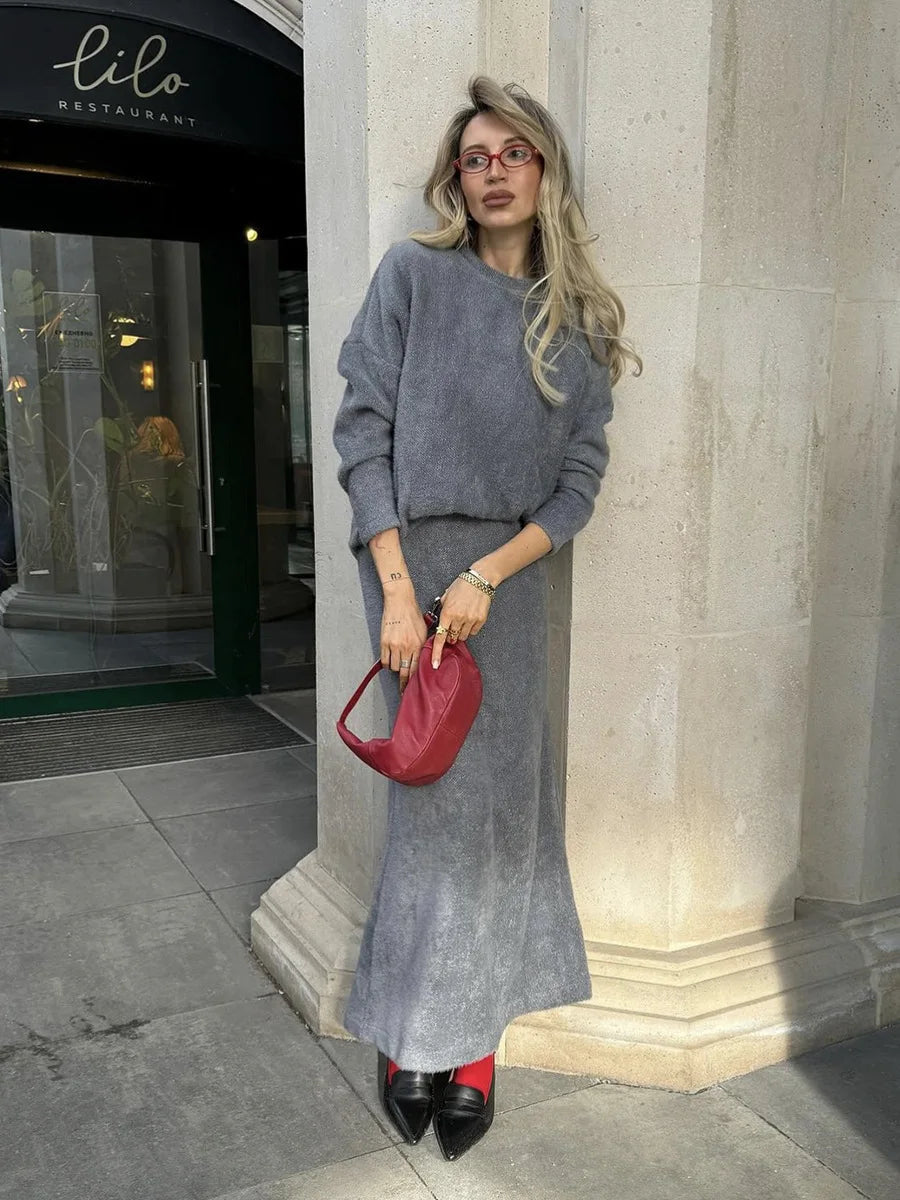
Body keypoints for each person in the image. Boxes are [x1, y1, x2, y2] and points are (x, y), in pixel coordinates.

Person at [332, 75, 642, 1161]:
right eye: (476, 156)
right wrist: (400, 589)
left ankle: (470, 1049)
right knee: (432, 819)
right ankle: (416, 1033)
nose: (495, 170)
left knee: (502, 823)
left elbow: (579, 484)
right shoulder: (413, 276)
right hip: (409, 574)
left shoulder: (578, 321)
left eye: (515, 152)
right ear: (455, 180)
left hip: (503, 588)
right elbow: (361, 430)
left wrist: (488, 577)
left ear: (545, 169)